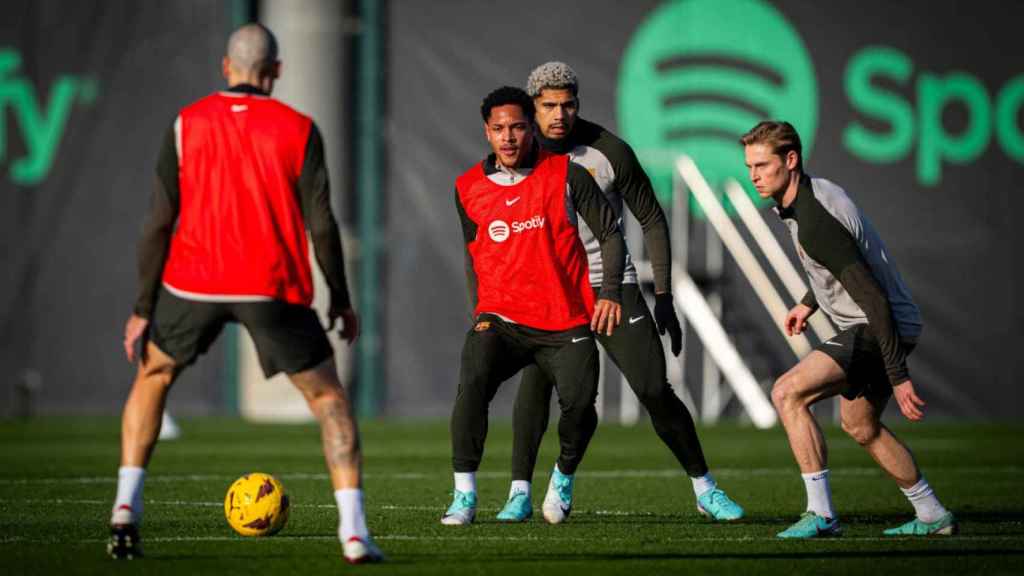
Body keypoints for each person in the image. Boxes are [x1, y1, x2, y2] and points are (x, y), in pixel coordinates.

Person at [107, 23, 382, 564]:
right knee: (328, 400)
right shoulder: (299, 128)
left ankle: (123, 509)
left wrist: (143, 309)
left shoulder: (186, 123)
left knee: (153, 376)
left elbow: (157, 223)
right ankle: (353, 534)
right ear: (275, 71)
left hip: (193, 282)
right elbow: (321, 224)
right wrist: (340, 299)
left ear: (225, 67)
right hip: (271, 285)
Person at [493, 61, 744, 523]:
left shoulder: (609, 151)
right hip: (549, 293)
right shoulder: (514, 154)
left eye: (568, 105)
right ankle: (518, 493)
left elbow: (651, 217)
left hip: (611, 286)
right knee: (537, 386)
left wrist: (664, 296)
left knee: (653, 387)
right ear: (533, 107)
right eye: (548, 106)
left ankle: (705, 489)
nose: (559, 115)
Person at [740, 120, 956, 538]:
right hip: (888, 322)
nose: (754, 175)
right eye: (749, 166)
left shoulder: (814, 218)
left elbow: (872, 299)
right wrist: (808, 302)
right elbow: (843, 266)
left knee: (787, 393)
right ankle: (932, 514)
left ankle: (821, 514)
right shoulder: (812, 194)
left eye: (762, 165)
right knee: (860, 426)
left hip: (877, 325)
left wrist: (899, 377)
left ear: (790, 160)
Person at [444, 86, 625, 526]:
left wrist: (610, 292)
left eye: (518, 127)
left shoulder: (567, 174)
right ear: (487, 132)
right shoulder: (467, 187)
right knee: (472, 384)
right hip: (501, 319)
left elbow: (611, 234)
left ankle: (562, 476)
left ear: (532, 128)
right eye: (499, 129)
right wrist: (481, 311)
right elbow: (474, 253)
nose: (508, 137)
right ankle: (463, 496)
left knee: (581, 408)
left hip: (565, 321)